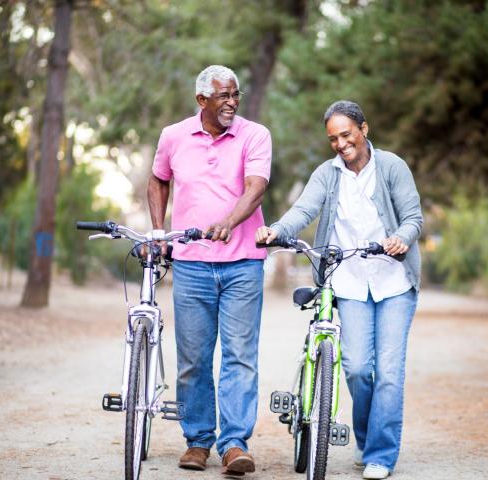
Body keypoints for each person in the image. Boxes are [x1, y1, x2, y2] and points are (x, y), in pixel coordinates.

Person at [255, 100, 422, 480]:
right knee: (359, 368)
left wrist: (400, 238)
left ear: (364, 129)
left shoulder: (392, 167)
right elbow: (303, 211)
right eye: (333, 138)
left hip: (394, 282)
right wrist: (277, 230)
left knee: (390, 373)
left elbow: (413, 217)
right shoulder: (327, 174)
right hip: (347, 280)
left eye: (346, 134)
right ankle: (367, 439)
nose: (341, 144)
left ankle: (380, 454)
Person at [148, 65, 271, 475]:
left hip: (243, 264)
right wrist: (159, 231)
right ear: (202, 100)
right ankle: (198, 441)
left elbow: (256, 187)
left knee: (239, 357)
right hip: (191, 264)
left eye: (236, 94)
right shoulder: (173, 136)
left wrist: (229, 223)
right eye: (223, 96)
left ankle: (234, 444)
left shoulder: (255, 135)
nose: (232, 102)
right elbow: (157, 180)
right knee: (194, 358)